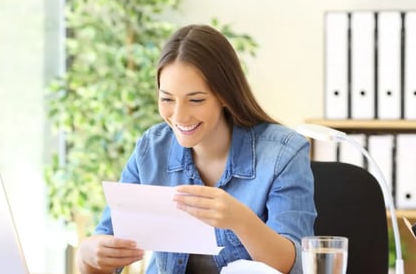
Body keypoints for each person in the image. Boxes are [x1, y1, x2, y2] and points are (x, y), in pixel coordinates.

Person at [76, 24, 317, 274]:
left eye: (196, 100)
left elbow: (297, 266)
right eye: (167, 99)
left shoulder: (283, 152)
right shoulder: (151, 149)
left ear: (225, 95)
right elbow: (103, 260)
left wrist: (240, 220)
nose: (179, 116)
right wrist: (86, 255)